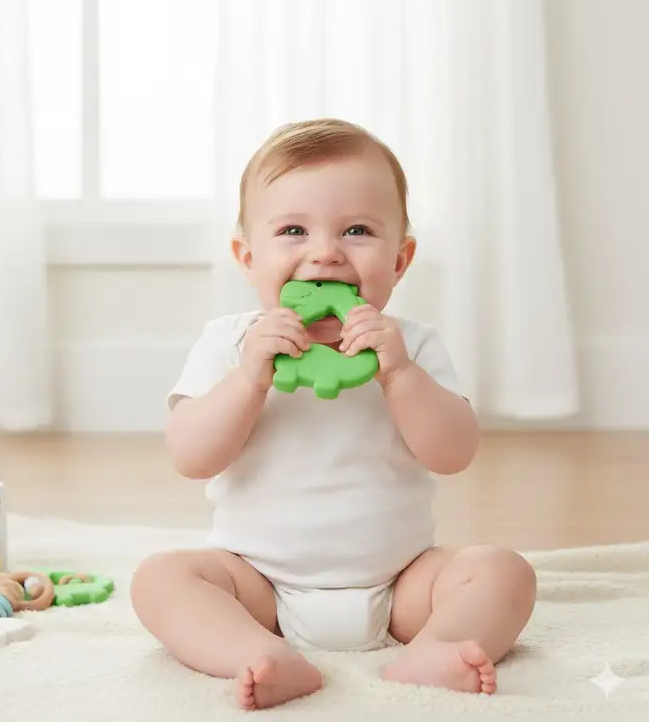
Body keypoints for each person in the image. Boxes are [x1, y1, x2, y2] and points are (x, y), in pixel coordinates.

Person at [131, 119, 537, 710]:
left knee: (504, 572)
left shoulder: (411, 345)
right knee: (160, 580)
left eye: (357, 230)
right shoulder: (230, 344)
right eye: (293, 230)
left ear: (401, 259)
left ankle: (439, 646)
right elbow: (190, 456)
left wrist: (398, 375)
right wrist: (249, 379)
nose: (324, 252)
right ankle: (253, 652)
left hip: (401, 582)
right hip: (257, 583)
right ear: (248, 257)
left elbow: (454, 454)